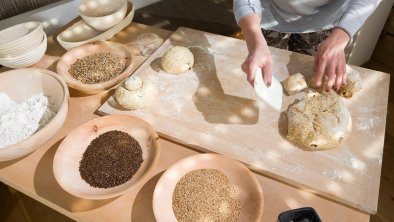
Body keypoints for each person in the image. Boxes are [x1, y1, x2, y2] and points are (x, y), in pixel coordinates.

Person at [233, 0, 381, 91]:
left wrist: (342, 34)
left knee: (311, 81)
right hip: (266, 14)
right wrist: (254, 36)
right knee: (264, 79)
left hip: (326, 23)